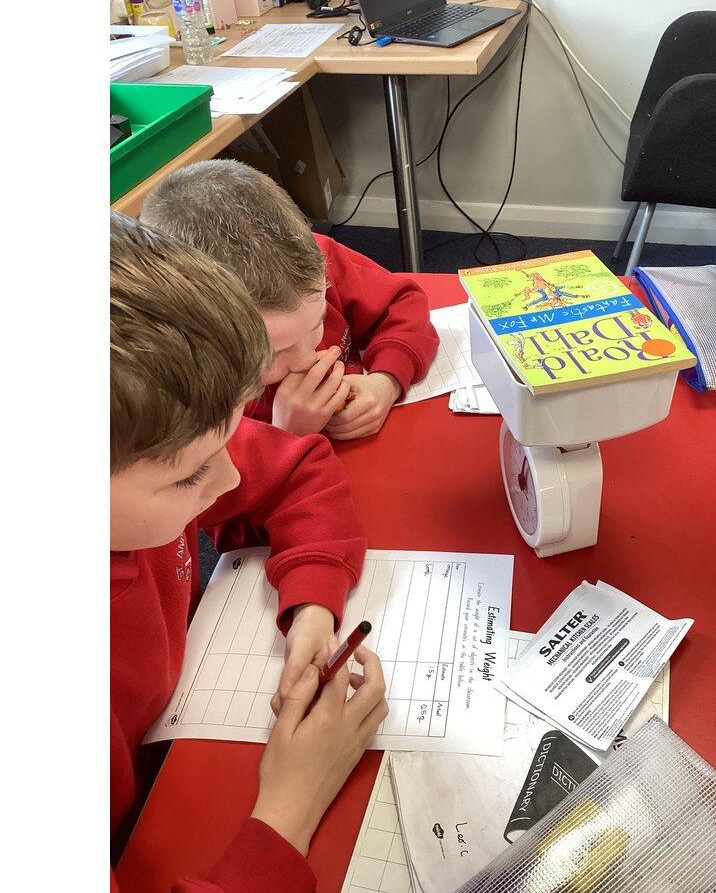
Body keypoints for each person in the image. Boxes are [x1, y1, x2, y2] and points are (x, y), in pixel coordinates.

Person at [110, 213, 387, 891]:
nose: (231, 480)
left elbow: (295, 472)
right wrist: (291, 807)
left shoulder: (144, 442)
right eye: (190, 477)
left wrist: (314, 609)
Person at [139, 159, 439, 440]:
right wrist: (285, 434)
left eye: (318, 323)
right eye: (272, 353)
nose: (307, 359)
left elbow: (403, 302)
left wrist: (385, 381)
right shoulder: (170, 390)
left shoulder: (316, 265)